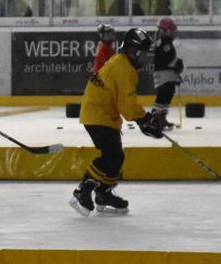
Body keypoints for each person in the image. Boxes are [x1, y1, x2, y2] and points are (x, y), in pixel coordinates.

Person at [70, 28, 162, 217]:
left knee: (117, 156)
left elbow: (123, 103)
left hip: (103, 114)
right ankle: (82, 191)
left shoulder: (122, 64)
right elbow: (127, 105)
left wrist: (144, 120)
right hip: (98, 115)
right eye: (143, 52)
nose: (146, 57)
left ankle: (103, 194)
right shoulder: (124, 69)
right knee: (110, 154)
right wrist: (145, 120)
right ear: (133, 50)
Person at [151, 18, 183, 131]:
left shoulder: (168, 42)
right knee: (163, 94)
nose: (173, 32)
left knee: (169, 93)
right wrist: (175, 64)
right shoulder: (162, 43)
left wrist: (177, 66)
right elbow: (163, 60)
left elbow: (170, 59)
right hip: (162, 73)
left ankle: (163, 116)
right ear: (164, 30)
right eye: (171, 30)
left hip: (169, 73)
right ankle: (155, 117)